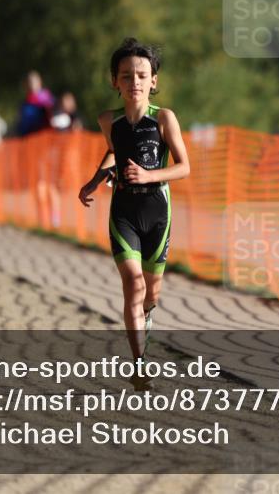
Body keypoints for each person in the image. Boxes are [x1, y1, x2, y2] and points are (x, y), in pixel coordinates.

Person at [77, 38, 190, 374]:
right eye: (126, 76)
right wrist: (95, 180)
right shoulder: (107, 120)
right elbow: (114, 151)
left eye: (141, 75)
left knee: (151, 291)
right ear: (115, 81)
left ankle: (148, 312)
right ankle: (139, 365)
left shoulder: (164, 119)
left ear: (153, 80)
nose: (134, 82)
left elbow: (184, 167)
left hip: (158, 212)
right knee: (133, 284)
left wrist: (149, 174)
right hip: (123, 211)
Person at [16, 71, 55, 137]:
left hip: (47, 137)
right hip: (29, 139)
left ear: (39, 82)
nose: (31, 85)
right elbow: (22, 125)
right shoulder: (24, 105)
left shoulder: (49, 100)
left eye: (33, 82)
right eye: (28, 82)